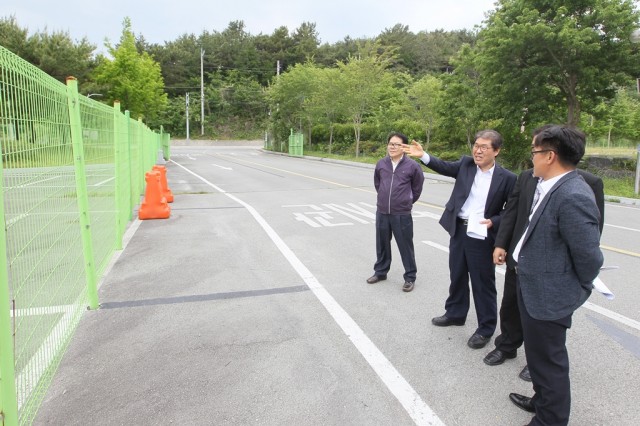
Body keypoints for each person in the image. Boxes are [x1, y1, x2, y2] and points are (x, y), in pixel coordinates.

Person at [484, 126, 605, 385]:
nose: (532, 157)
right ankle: (507, 345)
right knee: (512, 307)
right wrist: (501, 244)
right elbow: (513, 212)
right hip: (521, 261)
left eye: (535, 150)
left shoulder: (583, 185)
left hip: (551, 273)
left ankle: (535, 364)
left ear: (551, 154)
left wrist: (578, 279)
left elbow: (590, 236)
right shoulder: (527, 177)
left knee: (544, 332)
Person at [403, 130, 516, 348]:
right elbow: (444, 166)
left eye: (484, 147)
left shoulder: (508, 178)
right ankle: (455, 313)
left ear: (497, 151)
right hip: (459, 229)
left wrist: (494, 221)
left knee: (483, 283)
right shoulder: (466, 165)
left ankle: (485, 328)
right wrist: (423, 155)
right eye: (476, 145)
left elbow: (511, 210)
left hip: (482, 235)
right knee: (457, 274)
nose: (478, 150)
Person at [367, 131, 424, 292]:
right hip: (382, 211)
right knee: (382, 244)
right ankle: (381, 272)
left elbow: (417, 188)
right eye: (390, 144)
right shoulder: (381, 164)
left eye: (396, 144)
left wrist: (406, 201)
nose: (392, 147)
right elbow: (378, 184)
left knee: (405, 246)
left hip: (402, 213)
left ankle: (410, 277)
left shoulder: (412, 166)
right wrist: (384, 200)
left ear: (404, 147)